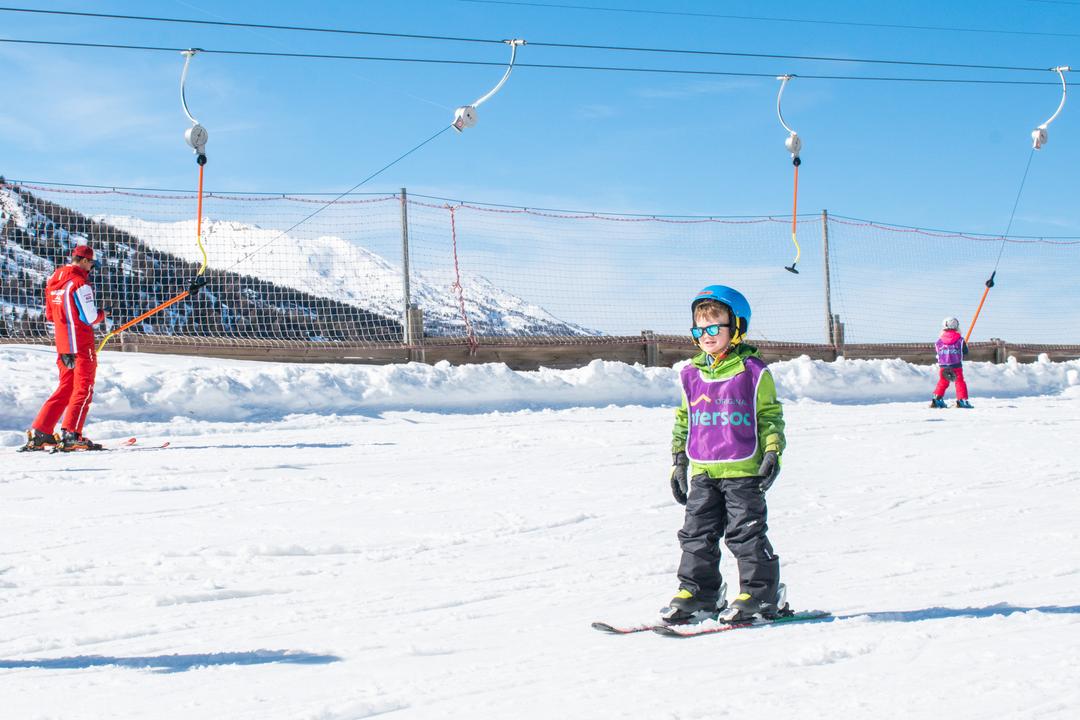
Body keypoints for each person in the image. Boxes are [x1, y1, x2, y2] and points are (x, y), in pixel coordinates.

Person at [662, 285, 787, 624]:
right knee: (696, 535)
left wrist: (773, 452)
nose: (706, 335)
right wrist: (679, 461)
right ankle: (699, 593)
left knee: (745, 532)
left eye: (714, 327)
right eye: (699, 329)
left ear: (737, 327)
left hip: (743, 469)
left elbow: (769, 416)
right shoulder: (691, 373)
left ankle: (761, 593)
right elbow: (684, 418)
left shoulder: (752, 371)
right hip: (704, 469)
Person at [20, 244, 107, 452]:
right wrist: (103, 314)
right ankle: (72, 434)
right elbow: (90, 317)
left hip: (62, 344)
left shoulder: (54, 279)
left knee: (66, 387)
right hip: (81, 343)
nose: (90, 269)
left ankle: (42, 432)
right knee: (83, 388)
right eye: (91, 264)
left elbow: (50, 315)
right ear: (84, 261)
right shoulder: (80, 284)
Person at [930, 317, 972, 409]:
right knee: (959, 382)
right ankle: (962, 400)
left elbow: (938, 353)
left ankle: (936, 399)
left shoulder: (939, 342)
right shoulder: (960, 340)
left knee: (943, 382)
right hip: (956, 365)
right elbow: (965, 352)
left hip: (943, 366)